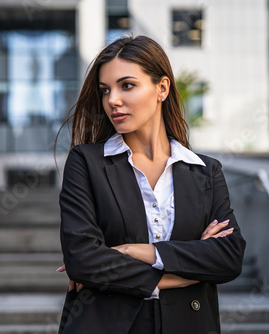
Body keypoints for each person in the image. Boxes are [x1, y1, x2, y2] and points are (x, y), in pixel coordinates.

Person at [55, 35, 246, 334]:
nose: (112, 100)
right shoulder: (86, 163)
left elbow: (229, 256)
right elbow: (83, 260)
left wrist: (136, 251)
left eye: (127, 85)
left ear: (162, 88)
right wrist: (183, 273)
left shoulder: (206, 172)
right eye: (105, 90)